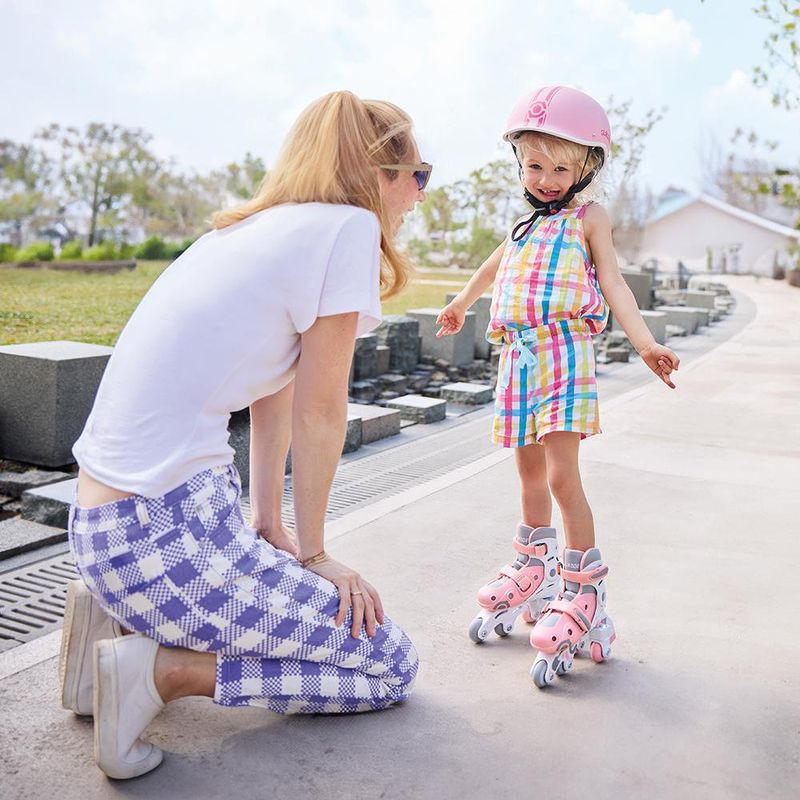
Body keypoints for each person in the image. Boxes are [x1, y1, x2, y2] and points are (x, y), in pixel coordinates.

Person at [59, 90, 431, 779]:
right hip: (163, 539)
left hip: (102, 531)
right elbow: (321, 412)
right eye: (417, 174)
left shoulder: (243, 232)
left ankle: (106, 624)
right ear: (374, 174)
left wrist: (268, 520)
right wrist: (317, 555)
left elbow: (275, 396)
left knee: (311, 612)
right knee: (387, 662)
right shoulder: (347, 229)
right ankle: (159, 671)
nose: (418, 194)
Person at [436, 86, 679, 688]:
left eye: (560, 167)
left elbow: (615, 284)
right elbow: (496, 264)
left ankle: (581, 587)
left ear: (585, 168)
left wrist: (645, 343)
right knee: (526, 474)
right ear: (520, 164)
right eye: (535, 165)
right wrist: (463, 302)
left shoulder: (587, 218)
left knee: (562, 476)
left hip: (563, 354)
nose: (546, 178)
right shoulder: (521, 224)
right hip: (516, 358)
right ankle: (534, 567)